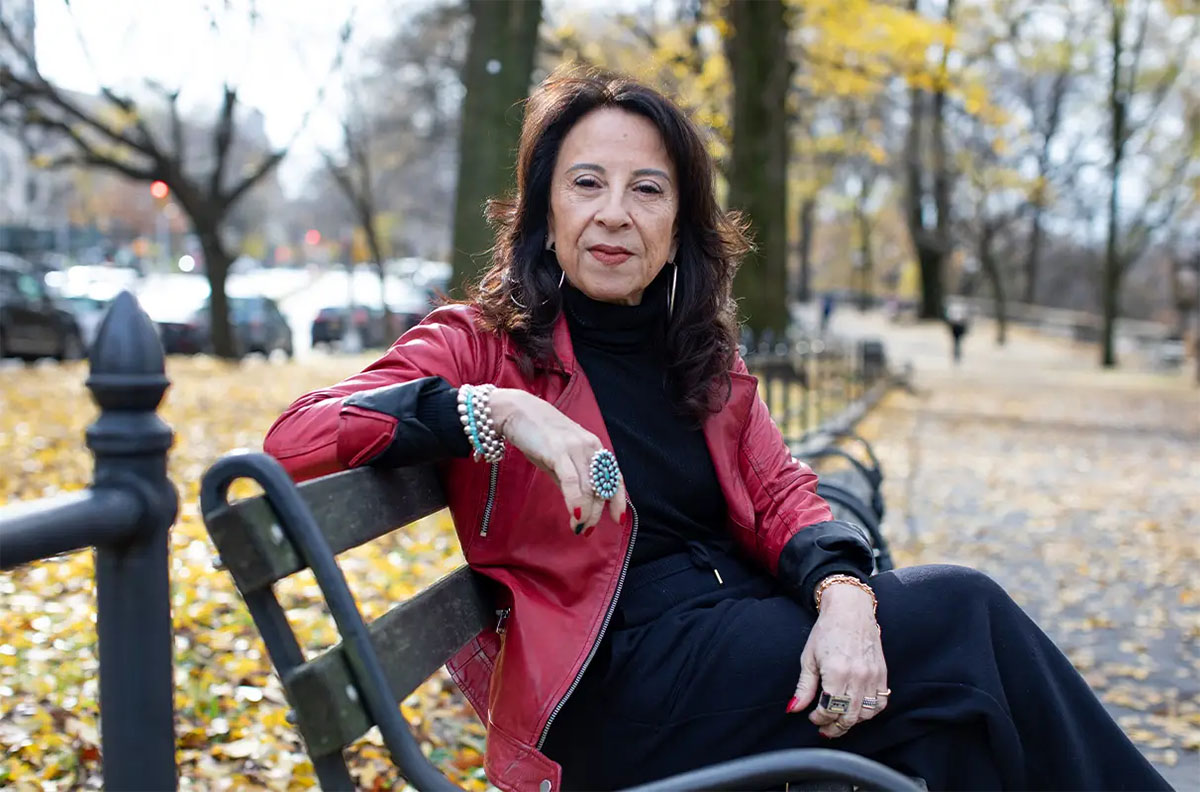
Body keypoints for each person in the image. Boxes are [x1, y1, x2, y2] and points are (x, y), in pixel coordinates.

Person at [263, 68, 1169, 792]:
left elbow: (784, 494)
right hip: (617, 688)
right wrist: (491, 411)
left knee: (945, 723)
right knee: (963, 612)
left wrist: (846, 592)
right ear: (544, 215)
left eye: (646, 190)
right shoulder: (480, 346)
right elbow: (294, 439)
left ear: (676, 226)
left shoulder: (695, 357)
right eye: (587, 183)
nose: (614, 212)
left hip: (735, 637)